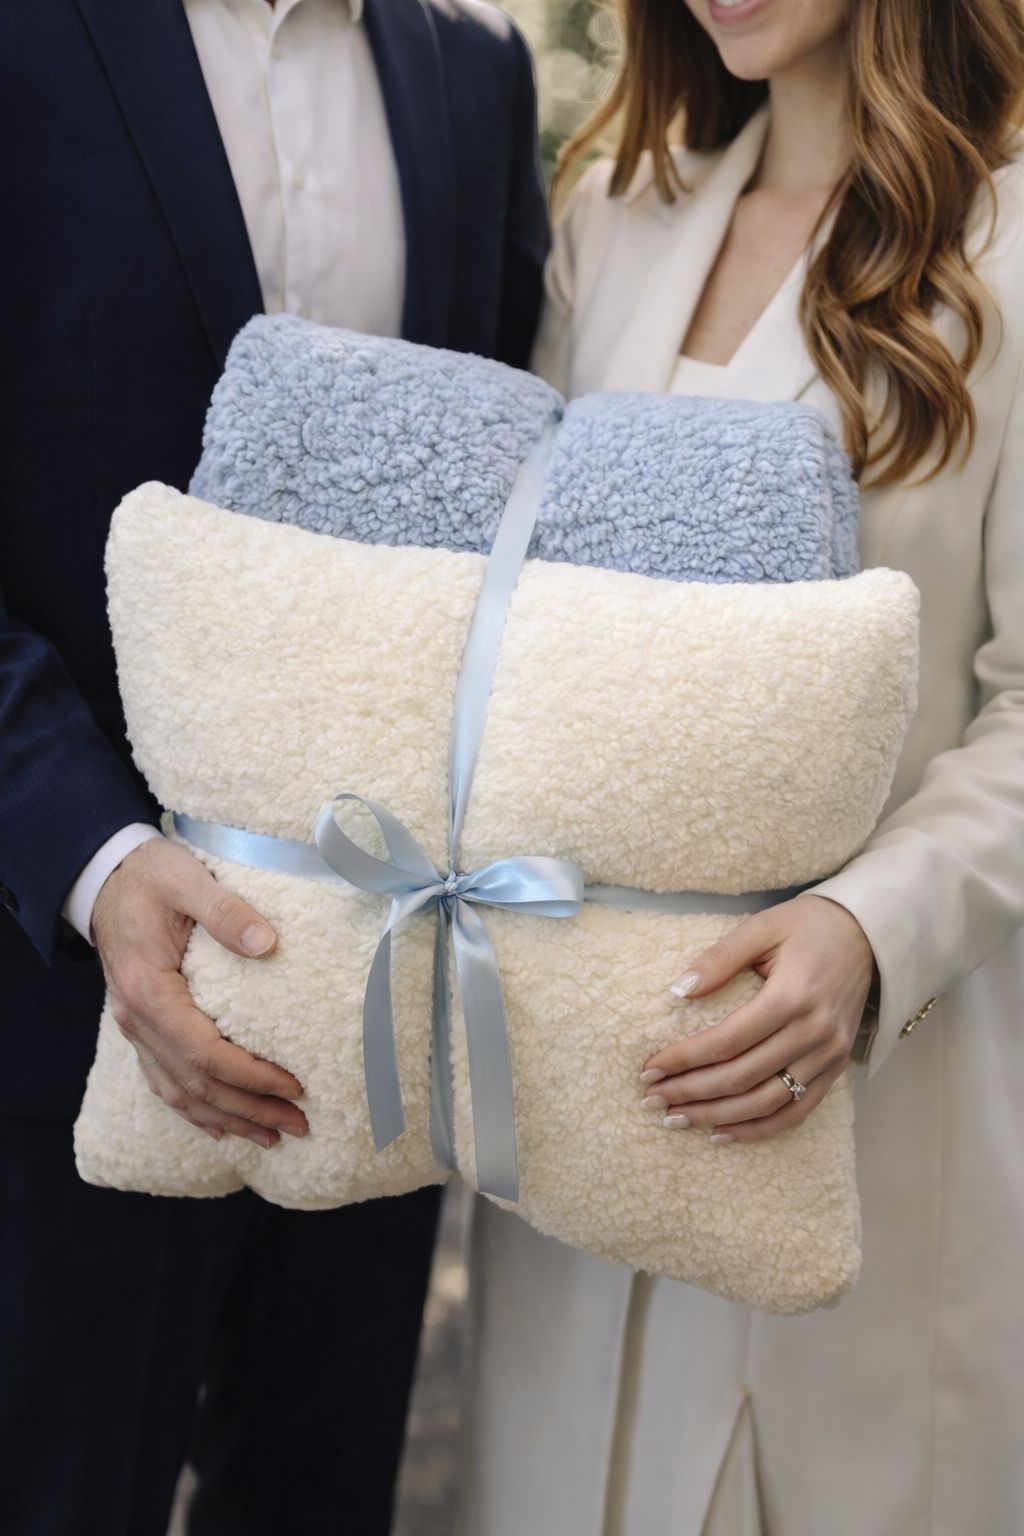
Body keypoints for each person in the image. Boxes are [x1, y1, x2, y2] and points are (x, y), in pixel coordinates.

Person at [457, 1, 1024, 1532]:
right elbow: (514, 625)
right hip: (586, 1102)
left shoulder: (1013, 246)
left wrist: (866, 934)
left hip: (881, 1094)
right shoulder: (610, 222)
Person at [0, 1, 546, 1531]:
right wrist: (96, 863)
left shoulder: (474, 78)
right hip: (48, 1016)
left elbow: (507, 523)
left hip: (379, 1022)